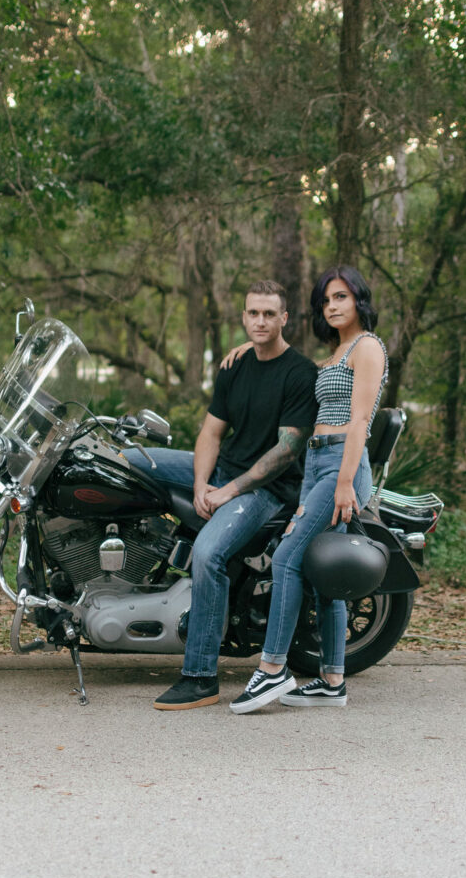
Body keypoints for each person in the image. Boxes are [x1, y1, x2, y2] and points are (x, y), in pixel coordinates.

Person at [124, 279, 318, 710]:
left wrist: (225, 491)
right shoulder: (235, 366)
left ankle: (200, 676)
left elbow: (286, 452)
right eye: (254, 313)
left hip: (268, 488)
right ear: (244, 316)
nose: (261, 320)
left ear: (284, 318)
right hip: (226, 470)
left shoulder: (301, 374)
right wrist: (199, 482)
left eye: (270, 313)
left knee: (209, 553)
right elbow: (211, 432)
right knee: (126, 459)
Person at [227, 265, 388, 714]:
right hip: (318, 460)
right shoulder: (335, 355)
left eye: (341, 297)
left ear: (359, 300)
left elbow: (360, 421)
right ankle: (333, 680)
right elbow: (289, 361)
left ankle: (272, 668)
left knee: (286, 557)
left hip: (341, 464)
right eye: (326, 301)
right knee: (323, 572)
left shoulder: (367, 347)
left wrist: (343, 483)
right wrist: (253, 345)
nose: (333, 306)